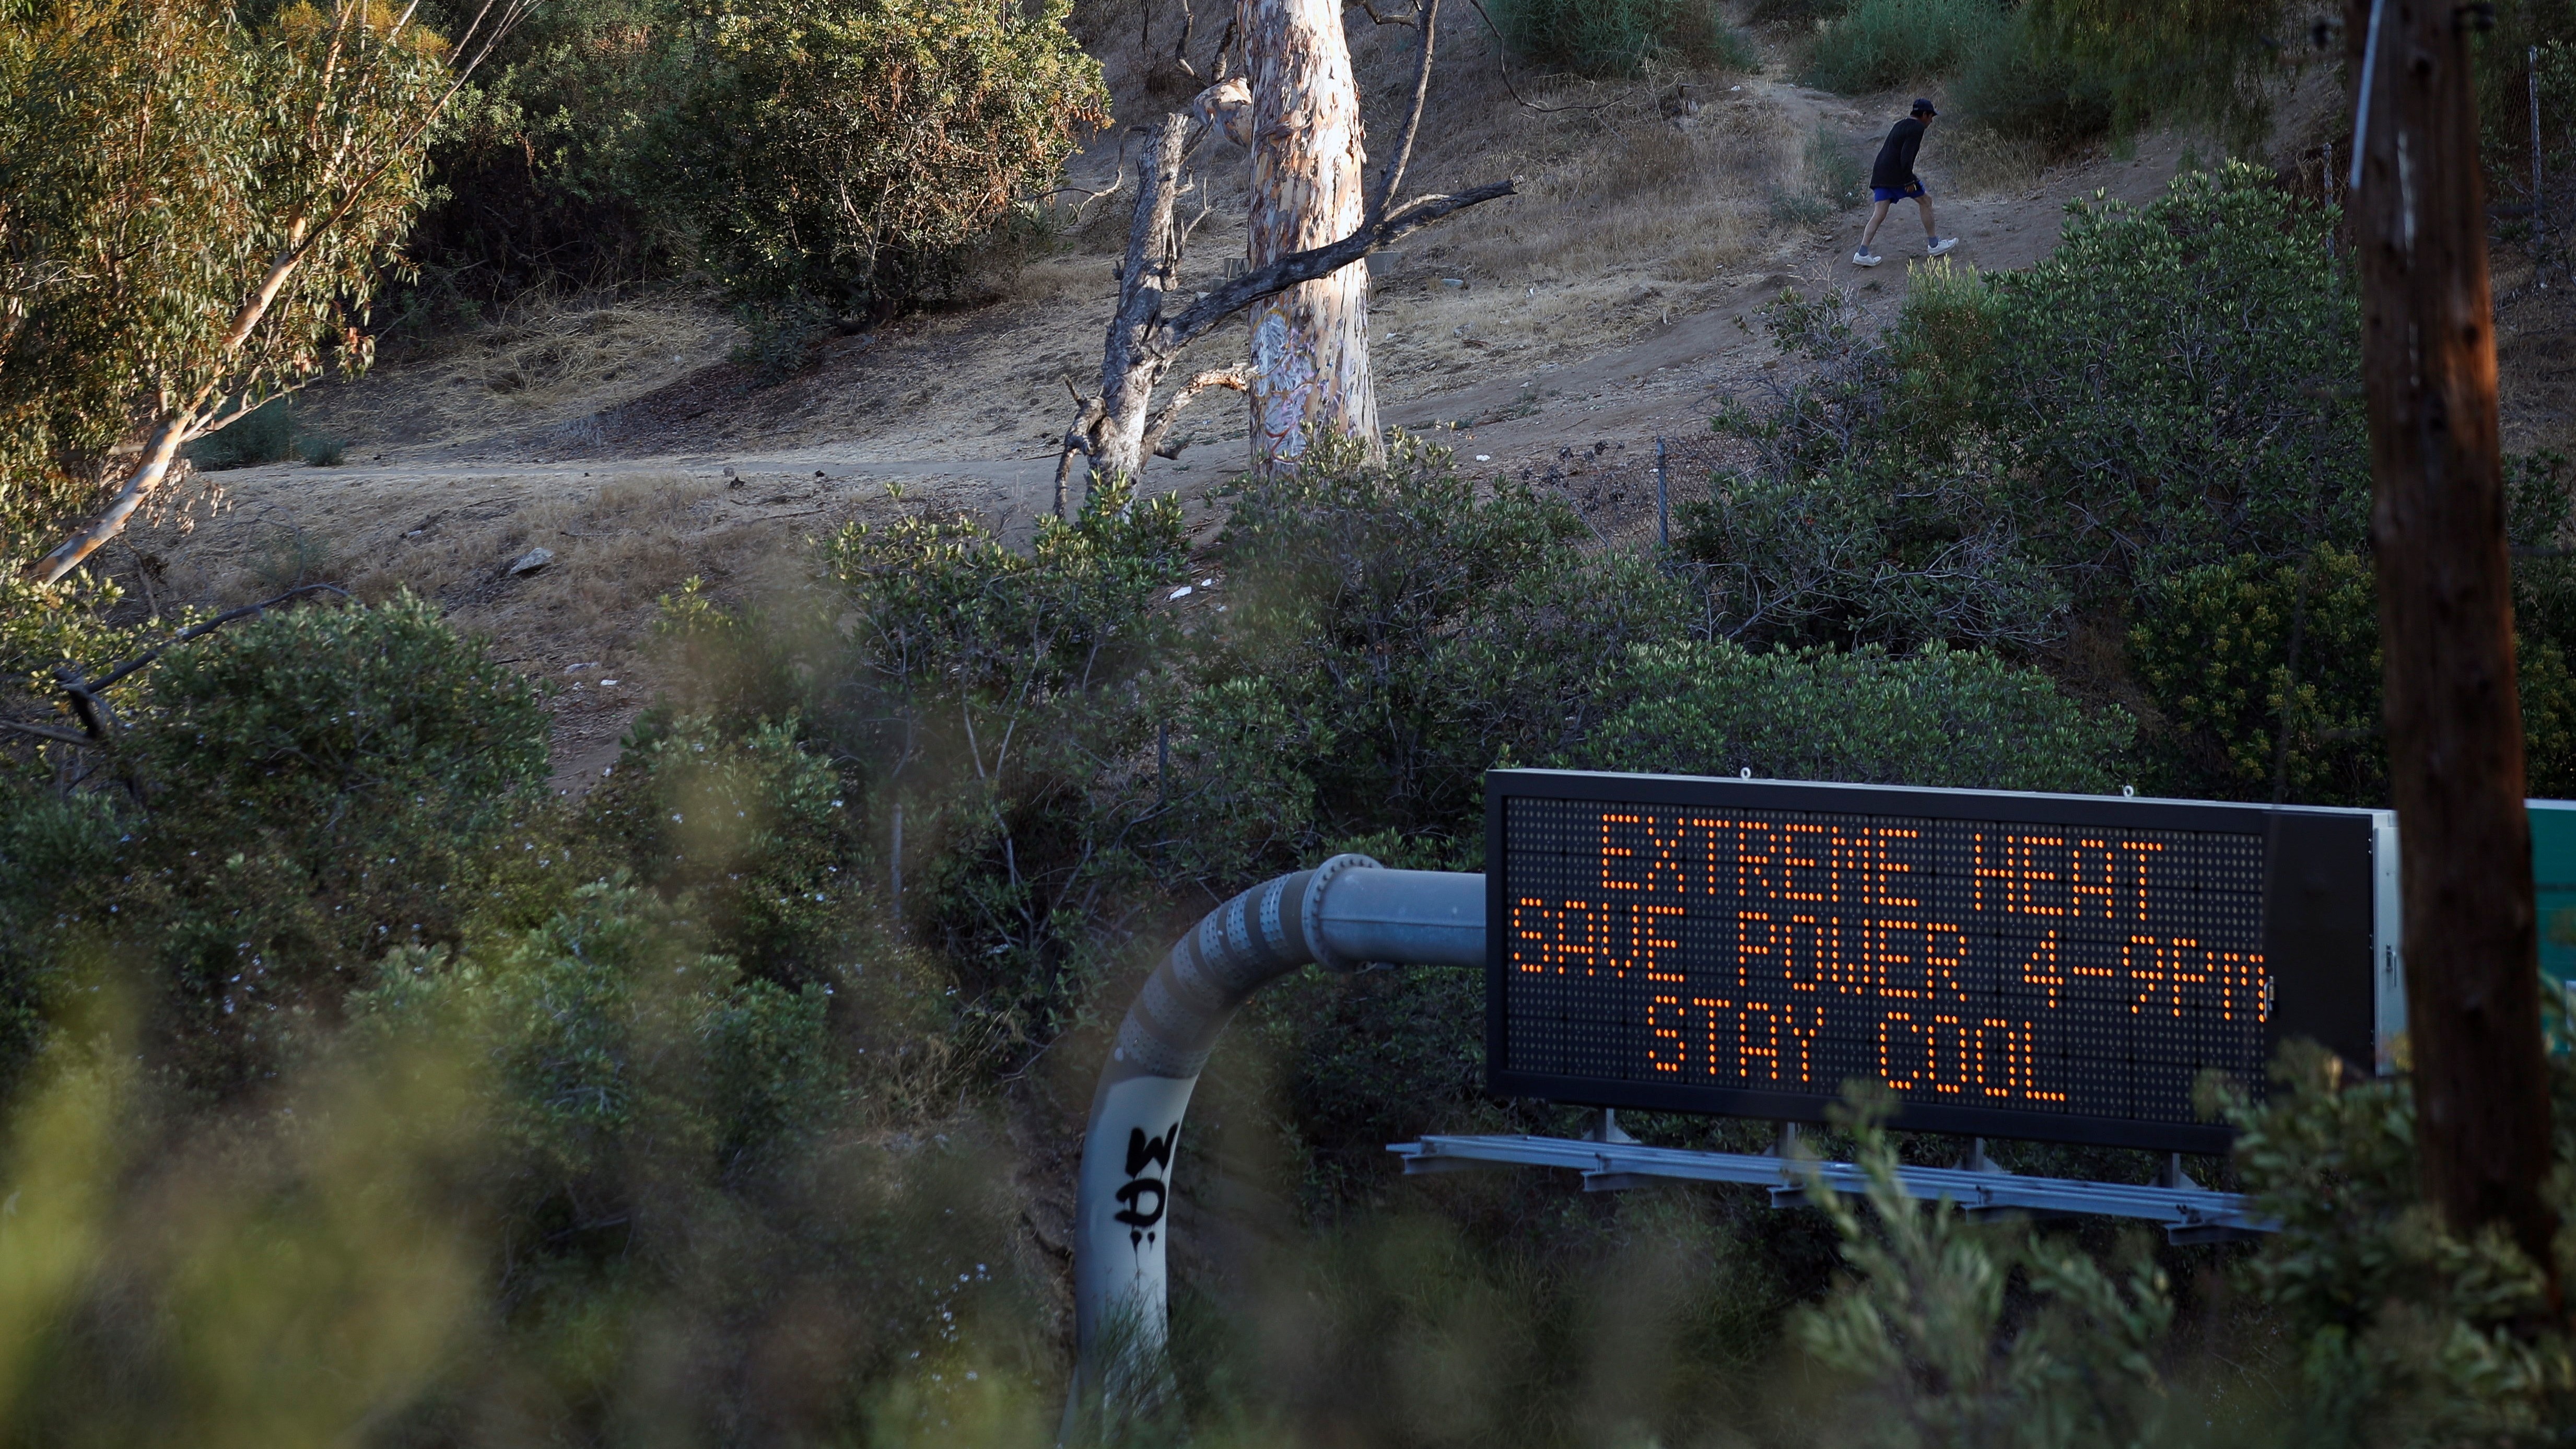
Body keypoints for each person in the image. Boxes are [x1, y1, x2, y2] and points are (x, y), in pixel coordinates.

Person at [1854, 98, 1958, 267]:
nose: (1931, 121)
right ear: (1924, 115)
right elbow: (1906, 157)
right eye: (1931, 117)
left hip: (1880, 173)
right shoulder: (1917, 128)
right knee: (1926, 201)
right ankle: (1934, 245)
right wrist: (1909, 180)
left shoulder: (1900, 124)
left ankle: (1862, 253)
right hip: (1898, 176)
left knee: (1879, 214)